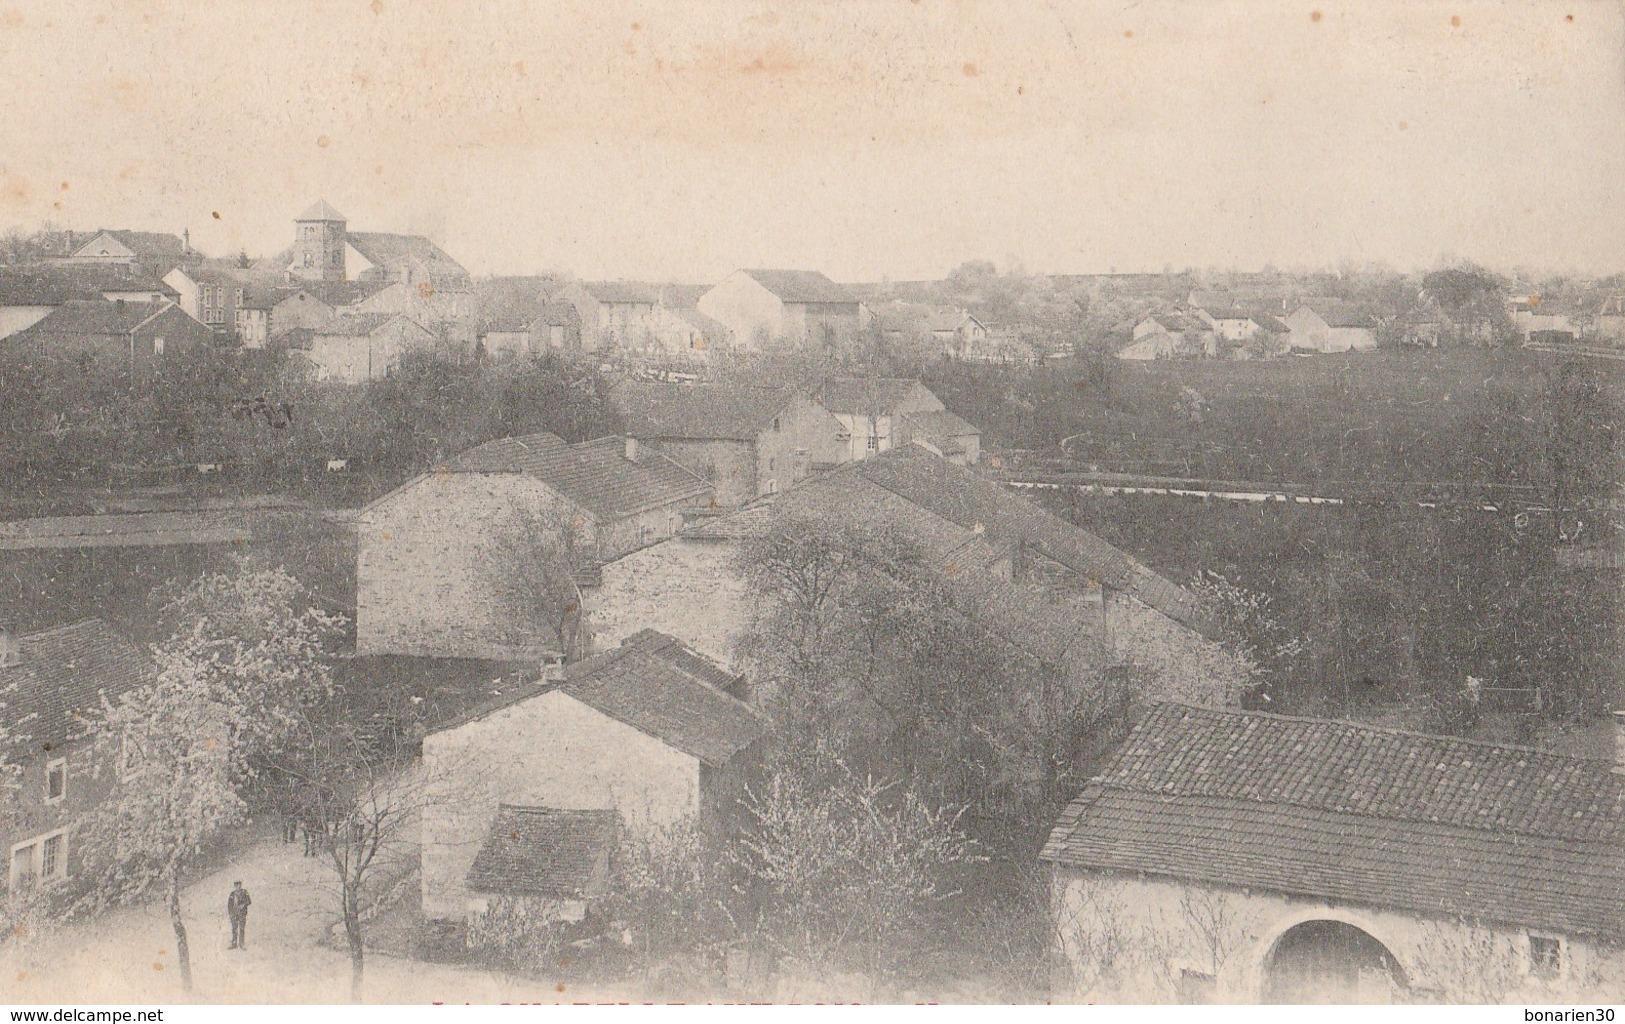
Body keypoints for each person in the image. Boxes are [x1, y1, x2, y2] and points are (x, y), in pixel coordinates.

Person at [226, 881, 252, 950]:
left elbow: (249, 901)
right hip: (234, 914)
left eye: (239, 885)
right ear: (235, 886)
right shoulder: (232, 894)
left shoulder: (244, 892)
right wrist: (230, 914)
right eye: (237, 886)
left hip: (242, 913)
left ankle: (241, 944)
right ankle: (234, 944)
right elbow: (229, 905)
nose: (238, 887)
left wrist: (243, 905)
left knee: (241, 929)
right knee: (234, 929)